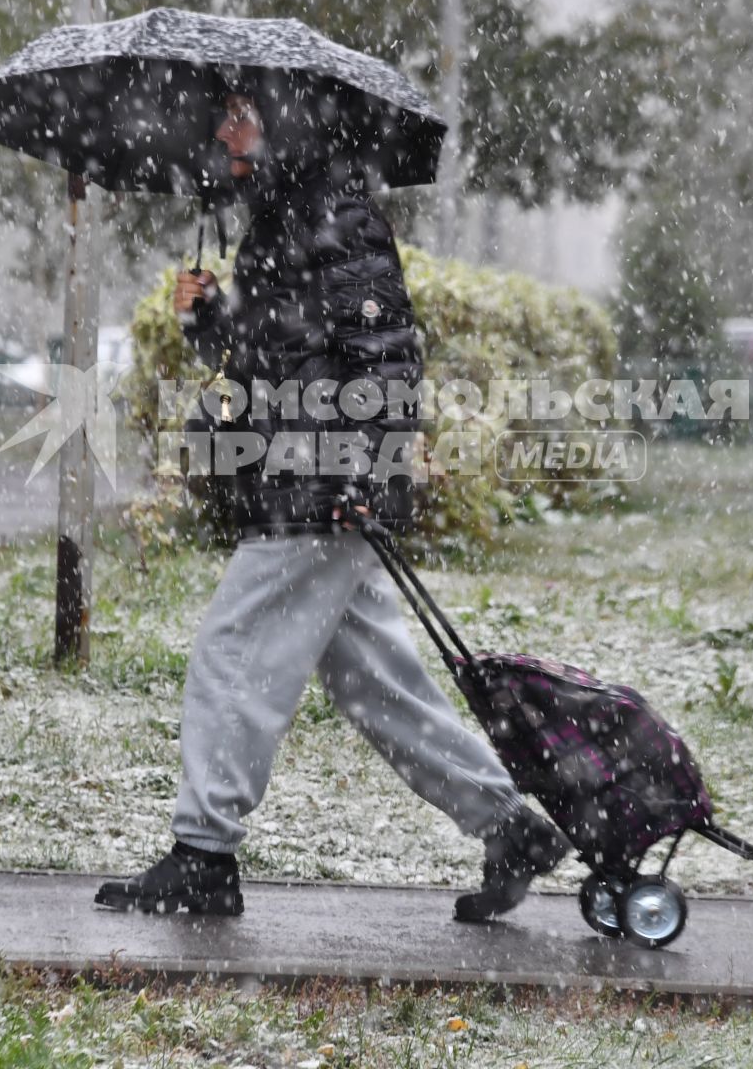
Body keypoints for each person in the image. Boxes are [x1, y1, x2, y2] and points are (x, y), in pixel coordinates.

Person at [94, 89, 568, 921]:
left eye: (238, 114)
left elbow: (385, 358)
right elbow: (276, 356)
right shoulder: (283, 214)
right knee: (378, 685)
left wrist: (364, 474)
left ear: (289, 122)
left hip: (322, 485)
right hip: (303, 476)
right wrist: (212, 320)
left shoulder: (338, 212)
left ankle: (203, 856)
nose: (222, 131)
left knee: (230, 654)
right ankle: (509, 824)